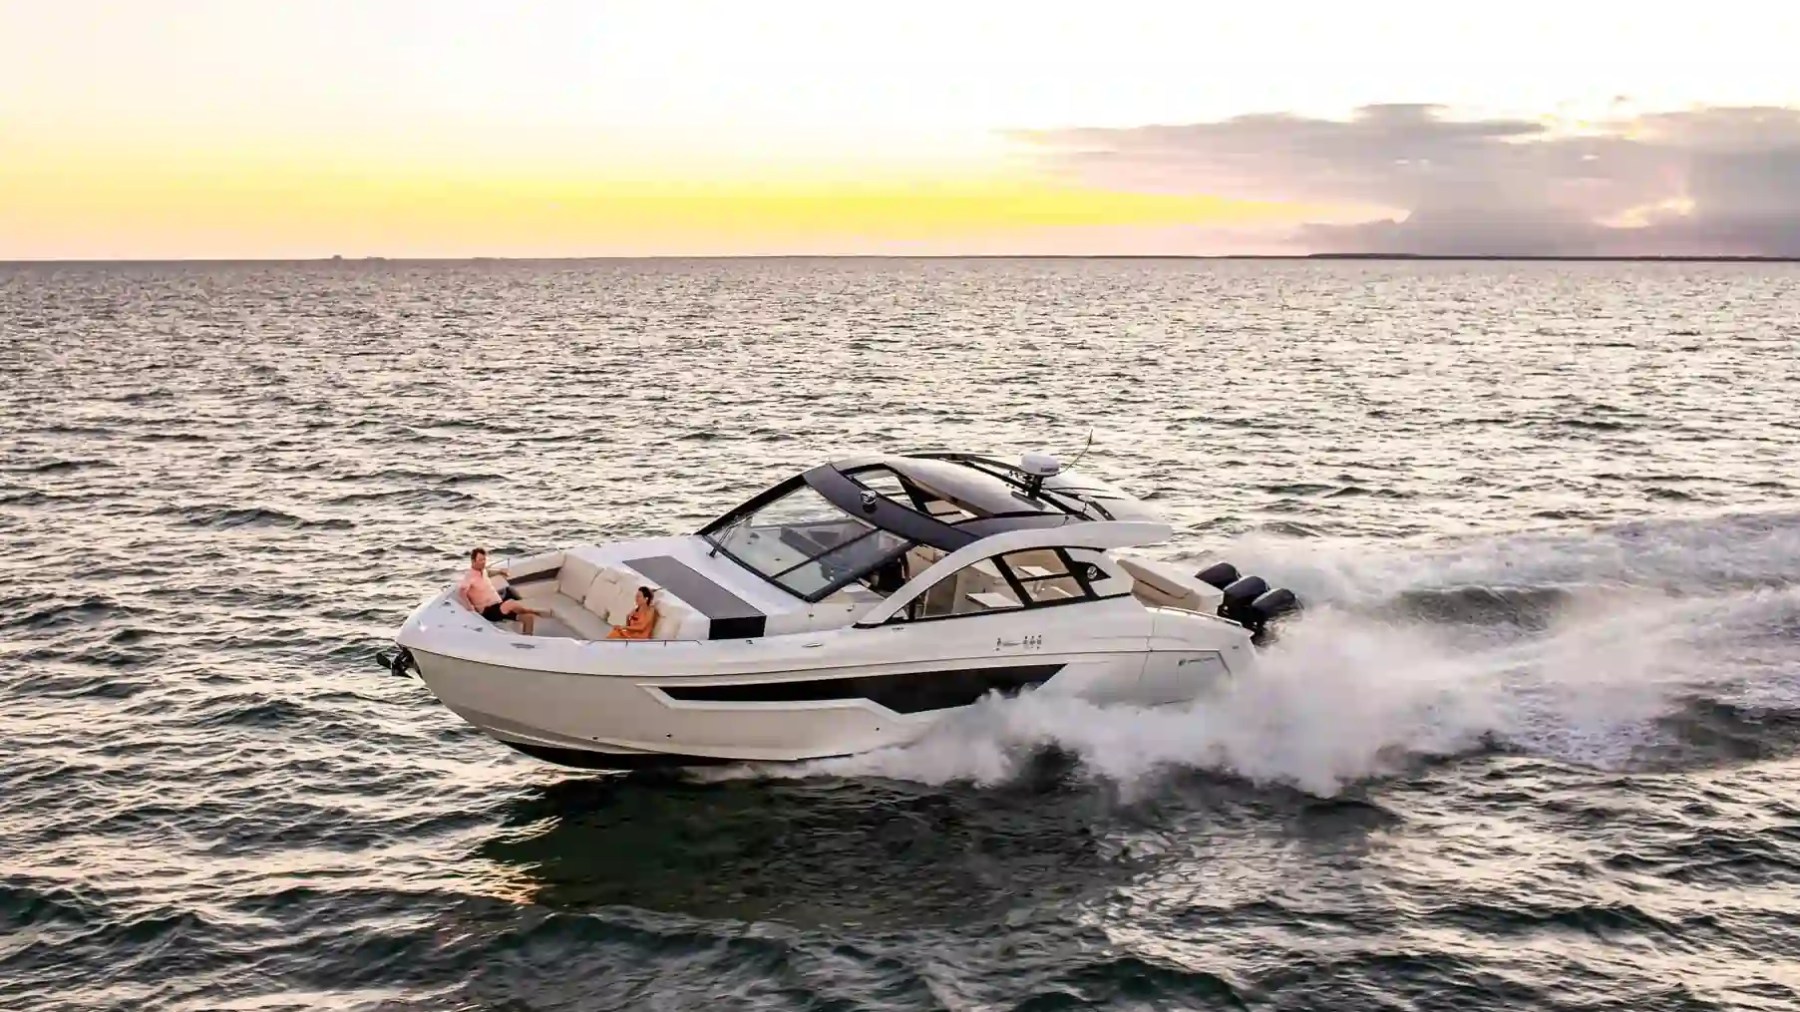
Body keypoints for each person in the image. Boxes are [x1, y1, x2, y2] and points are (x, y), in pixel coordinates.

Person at [458, 547, 545, 635]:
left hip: (498, 607)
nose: (483, 562)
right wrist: (469, 607)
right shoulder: (469, 576)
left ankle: (527, 640)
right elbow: (462, 591)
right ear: (473, 561)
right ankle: (532, 611)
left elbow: (489, 571)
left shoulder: (483, 571)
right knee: (510, 603)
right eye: (480, 560)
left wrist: (500, 571)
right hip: (487, 611)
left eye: (484, 559)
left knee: (528, 618)